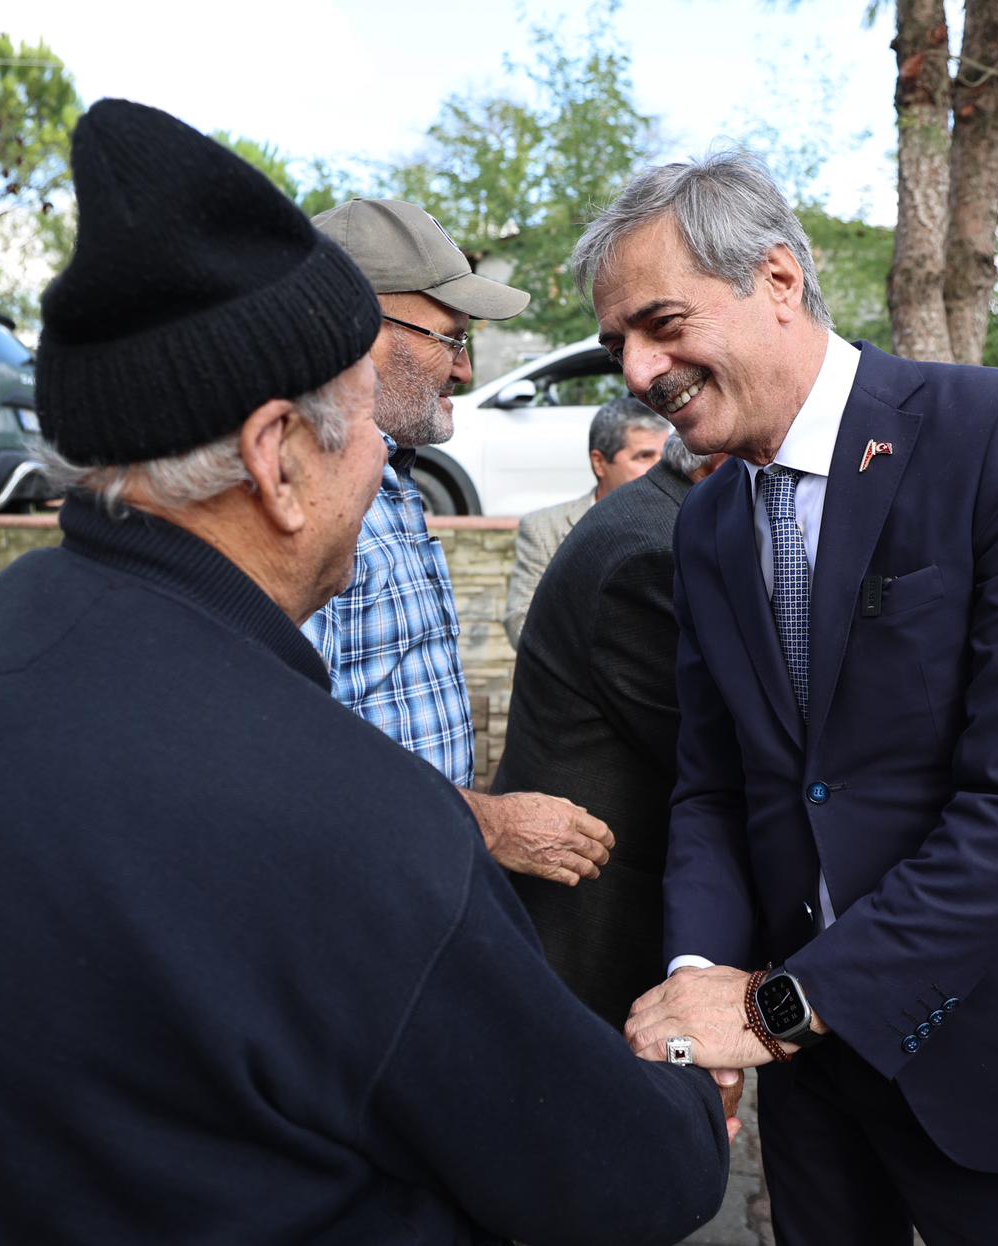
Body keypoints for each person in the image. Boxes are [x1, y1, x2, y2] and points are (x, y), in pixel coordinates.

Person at [0, 100, 733, 1246]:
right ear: (278, 462)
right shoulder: (344, 812)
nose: (383, 466)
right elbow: (623, 1175)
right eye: (359, 427)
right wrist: (691, 1087)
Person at [576, 150, 998, 1244]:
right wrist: (697, 987)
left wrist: (773, 1008)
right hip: (814, 1084)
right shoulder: (709, 525)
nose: (635, 367)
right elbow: (717, 786)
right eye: (619, 340)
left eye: (660, 322)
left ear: (776, 279)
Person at [305, 198, 615, 889]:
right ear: (354, 329)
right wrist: (492, 825)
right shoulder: (311, 502)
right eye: (451, 338)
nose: (466, 372)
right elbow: (288, 754)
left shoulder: (389, 479)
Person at [494, 432, 720, 1025]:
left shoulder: (654, 511)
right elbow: (707, 747)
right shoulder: (653, 551)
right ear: (717, 461)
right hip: (599, 908)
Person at [502, 396, 670, 647]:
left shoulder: (682, 521)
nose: (659, 469)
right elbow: (521, 623)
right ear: (600, 463)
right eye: (644, 456)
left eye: (664, 456)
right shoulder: (545, 528)